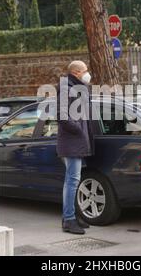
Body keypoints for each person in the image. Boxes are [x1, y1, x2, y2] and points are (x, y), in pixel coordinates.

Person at [56, 60, 93, 234]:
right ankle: (69, 220)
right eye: (86, 70)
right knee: (72, 181)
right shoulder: (66, 88)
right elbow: (62, 116)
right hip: (71, 142)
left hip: (75, 142)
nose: (88, 73)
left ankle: (71, 216)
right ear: (77, 72)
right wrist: (78, 129)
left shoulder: (75, 87)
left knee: (73, 181)